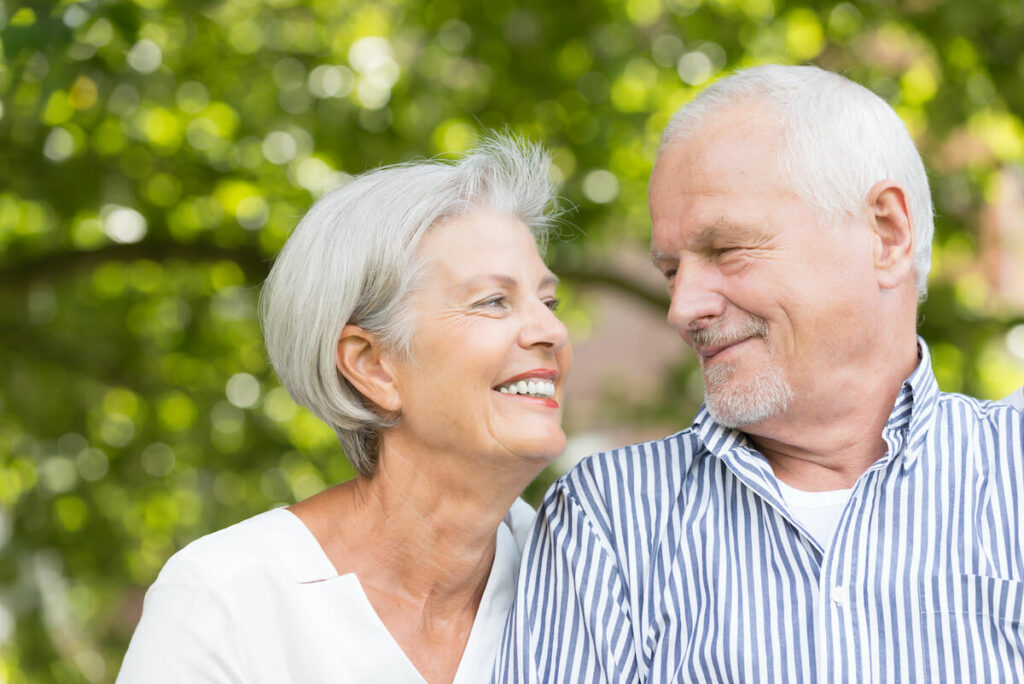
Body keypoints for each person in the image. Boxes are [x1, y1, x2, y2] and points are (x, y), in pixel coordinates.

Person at [495, 65, 1024, 682]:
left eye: (727, 250)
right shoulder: (608, 519)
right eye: (671, 271)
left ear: (887, 234)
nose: (683, 308)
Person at [117, 135, 572, 683]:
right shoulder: (227, 601)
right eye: (493, 301)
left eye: (548, 302)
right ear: (373, 365)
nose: (551, 331)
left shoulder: (584, 574)